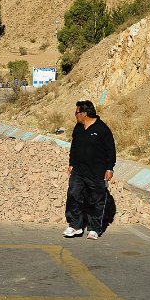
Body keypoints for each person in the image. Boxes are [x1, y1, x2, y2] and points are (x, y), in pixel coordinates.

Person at [64, 100, 116, 239]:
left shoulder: (102, 129)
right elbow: (74, 147)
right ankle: (75, 226)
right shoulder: (78, 128)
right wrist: (71, 163)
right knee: (74, 195)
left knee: (96, 199)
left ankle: (94, 228)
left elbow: (111, 150)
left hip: (96, 172)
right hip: (78, 170)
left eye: (77, 112)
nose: (75, 115)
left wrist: (109, 168)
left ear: (85, 114)